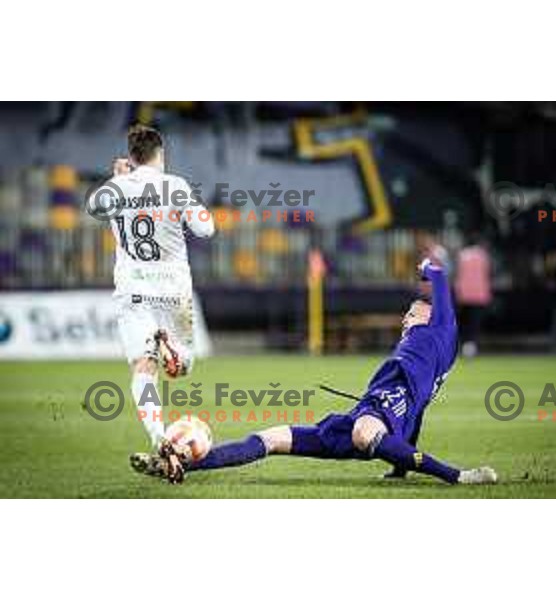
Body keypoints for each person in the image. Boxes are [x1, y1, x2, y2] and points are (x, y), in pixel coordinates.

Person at [131, 259, 497, 486]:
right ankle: (175, 464)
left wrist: (426, 267)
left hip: (376, 418)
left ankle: (457, 475)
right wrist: (400, 468)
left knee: (364, 430)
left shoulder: (439, 331)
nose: (406, 317)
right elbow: (416, 415)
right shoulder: (427, 351)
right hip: (360, 420)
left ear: (431, 318)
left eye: (413, 312)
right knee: (270, 438)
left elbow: (439, 273)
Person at [90, 125, 215, 449]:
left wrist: (117, 180)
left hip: (133, 291)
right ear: (161, 154)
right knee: (182, 367)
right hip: (174, 291)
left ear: (131, 157)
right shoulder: (175, 186)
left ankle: (157, 434)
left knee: (143, 369)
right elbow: (206, 229)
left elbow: (93, 206)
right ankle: (168, 349)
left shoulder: (117, 188)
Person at [454, 234, 492, 358]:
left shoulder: (462, 255)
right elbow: (487, 274)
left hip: (464, 294)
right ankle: (471, 346)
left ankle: (464, 345)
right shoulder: (483, 256)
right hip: (479, 294)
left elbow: (457, 274)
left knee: (463, 322)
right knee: (474, 323)